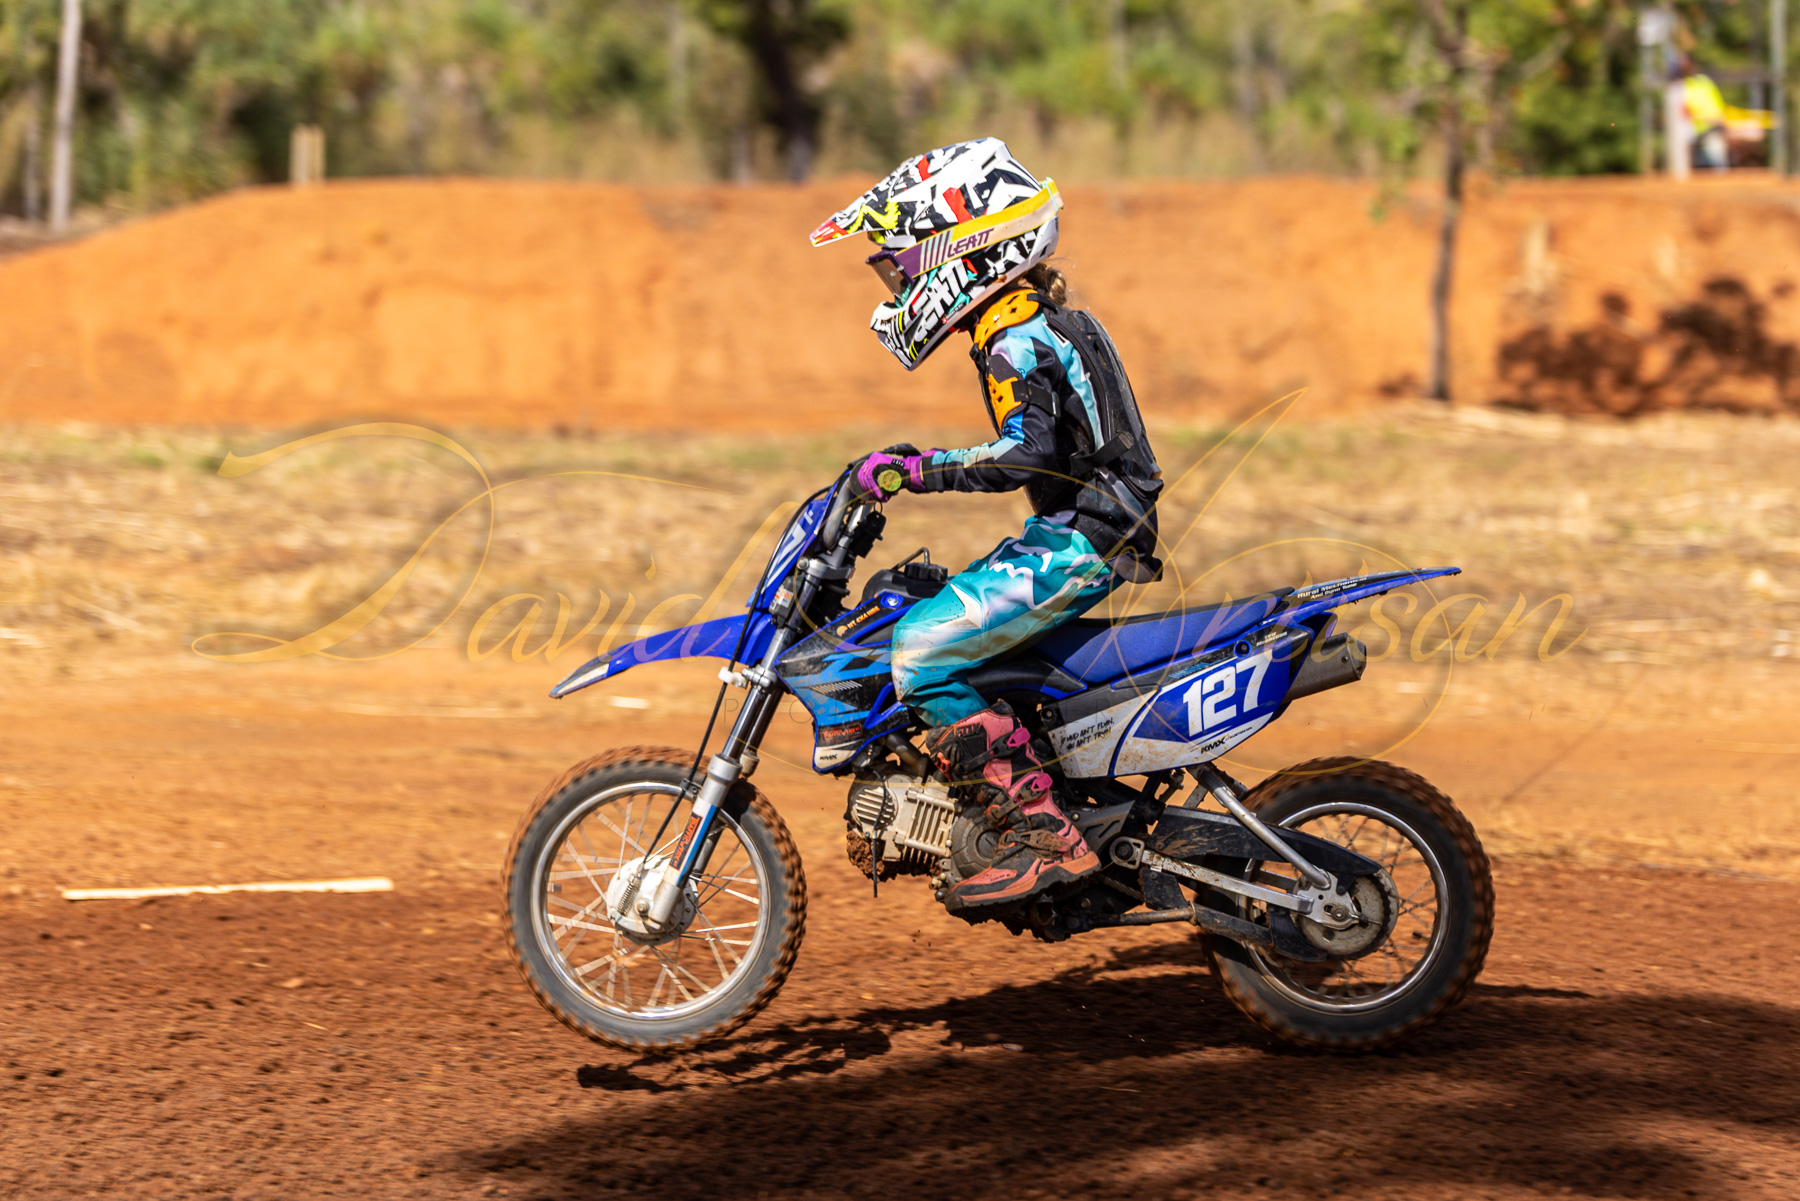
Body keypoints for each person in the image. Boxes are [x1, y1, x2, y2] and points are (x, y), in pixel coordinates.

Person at [810, 138, 1164, 913]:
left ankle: (1041, 833)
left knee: (920, 649)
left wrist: (916, 471)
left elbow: (1020, 455)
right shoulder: (1034, 322)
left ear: (962, 255)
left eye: (902, 268)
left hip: (1082, 539)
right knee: (926, 601)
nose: (898, 286)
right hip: (1086, 528)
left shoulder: (1015, 338)